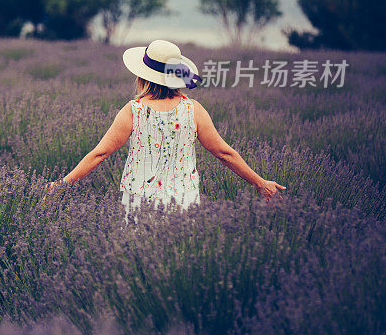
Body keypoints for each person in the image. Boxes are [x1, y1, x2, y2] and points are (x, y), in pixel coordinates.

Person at [46, 39, 285, 211]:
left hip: (139, 202)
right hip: (183, 203)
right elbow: (224, 153)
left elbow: (100, 154)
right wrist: (260, 183)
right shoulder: (194, 110)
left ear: (142, 76)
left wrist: (62, 184)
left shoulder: (133, 111)